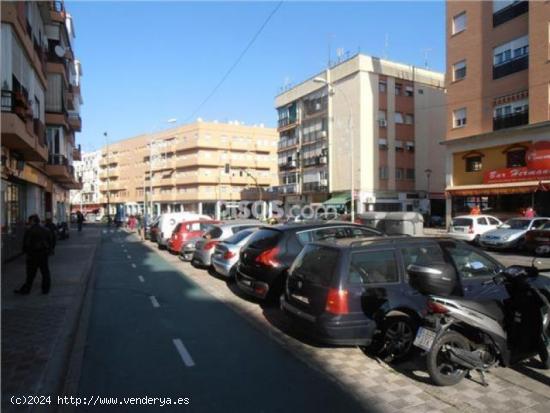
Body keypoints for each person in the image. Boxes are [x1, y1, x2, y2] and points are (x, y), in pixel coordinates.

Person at [15, 215, 54, 295]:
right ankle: (45, 289)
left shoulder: (30, 230)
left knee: (31, 274)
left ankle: (27, 289)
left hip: (33, 254)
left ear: (32, 221)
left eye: (30, 221)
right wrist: (50, 250)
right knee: (45, 272)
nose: (29, 222)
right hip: (43, 254)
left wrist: (25, 252)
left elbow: (26, 243)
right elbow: (52, 240)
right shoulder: (46, 230)